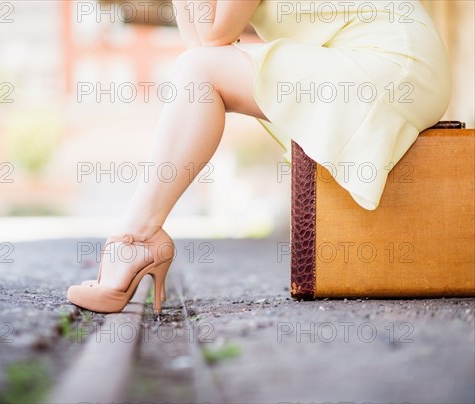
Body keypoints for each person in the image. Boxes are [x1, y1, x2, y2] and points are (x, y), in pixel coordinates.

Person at [67, 0, 451, 313]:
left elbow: (215, 38)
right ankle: (138, 234)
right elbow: (202, 51)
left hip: (395, 62)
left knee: (199, 72)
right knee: (196, 72)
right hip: (382, 62)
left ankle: (136, 236)